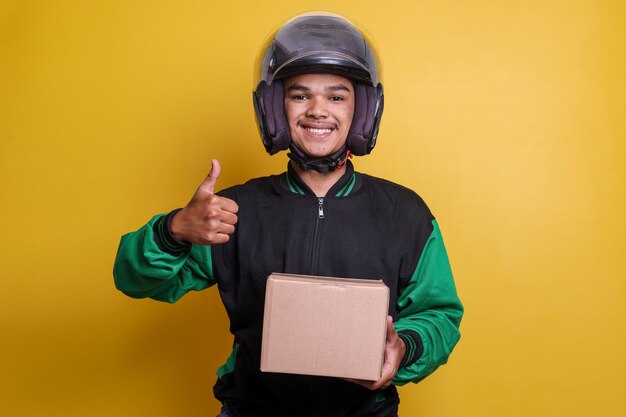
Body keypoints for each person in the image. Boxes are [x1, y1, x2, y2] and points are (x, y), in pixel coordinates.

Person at [114, 12, 463, 417]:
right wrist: (173, 231)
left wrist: (403, 348)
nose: (318, 110)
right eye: (300, 96)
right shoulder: (230, 212)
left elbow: (440, 314)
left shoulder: (404, 213)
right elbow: (133, 280)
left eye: (337, 96)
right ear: (275, 110)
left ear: (361, 110)